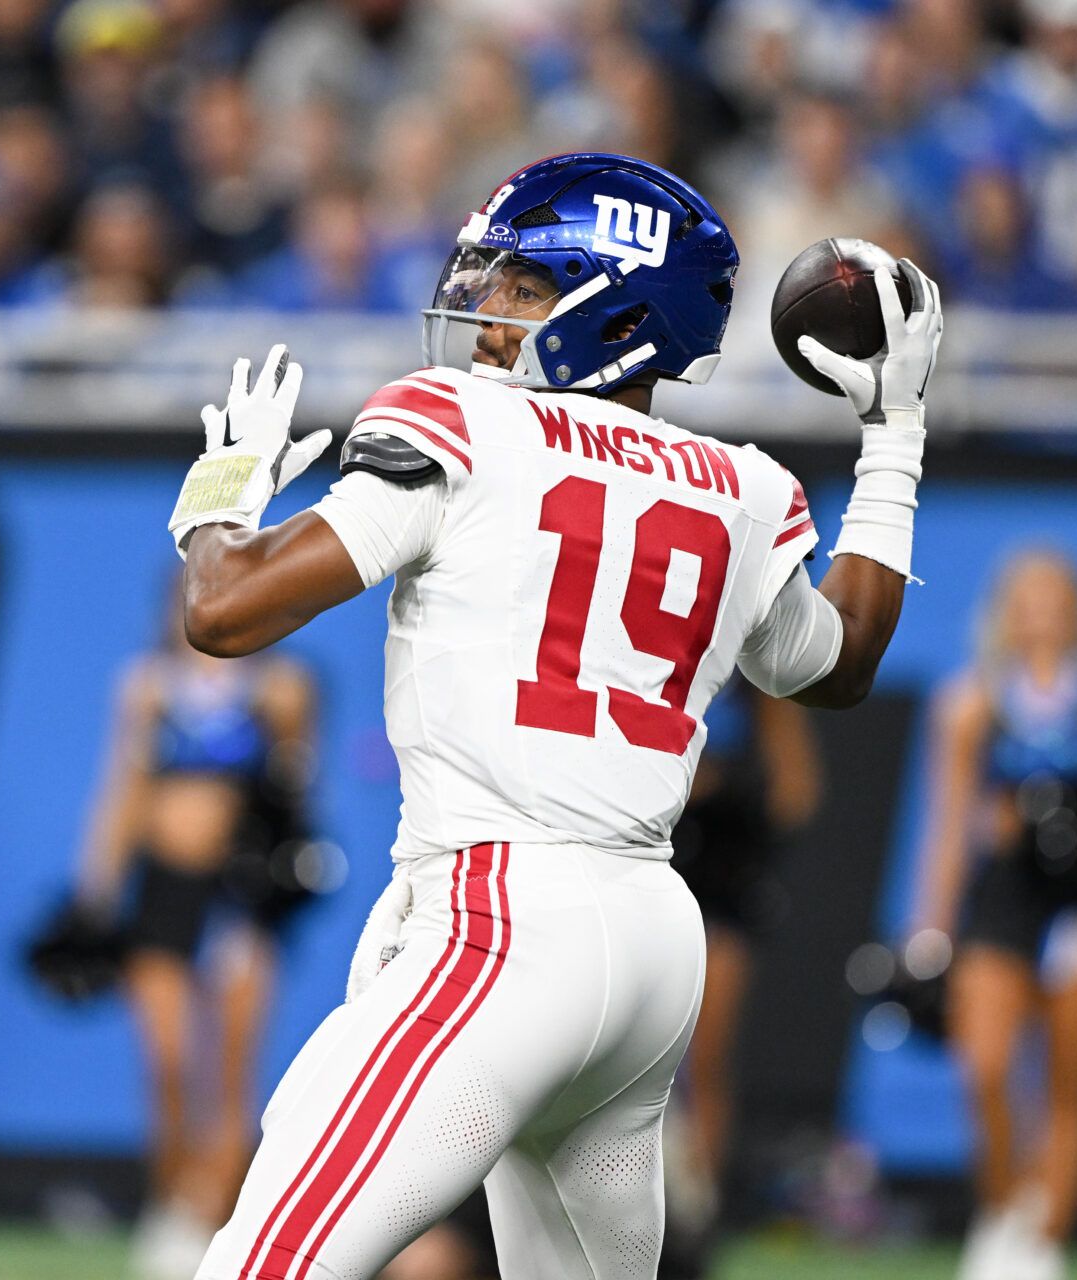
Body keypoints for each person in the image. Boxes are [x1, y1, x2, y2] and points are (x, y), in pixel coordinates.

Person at [168, 151, 943, 1277]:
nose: (487, 306)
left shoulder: (465, 423)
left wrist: (221, 496)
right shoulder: (744, 491)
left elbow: (225, 610)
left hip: (502, 917)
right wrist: (896, 439)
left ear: (617, 310)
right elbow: (841, 661)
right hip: (650, 938)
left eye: (525, 285)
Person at [911, 549, 1077, 1280]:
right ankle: (1002, 1213)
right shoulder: (971, 704)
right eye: (1027, 599)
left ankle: (1045, 1242)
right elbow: (951, 826)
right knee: (985, 1065)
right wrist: (931, 928)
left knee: (1067, 1078)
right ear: (1003, 611)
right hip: (1002, 902)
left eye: (1056, 598)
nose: (1043, 613)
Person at [68, 596, 320, 1279]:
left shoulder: (281, 686)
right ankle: (172, 1203)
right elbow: (122, 789)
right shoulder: (148, 685)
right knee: (169, 1063)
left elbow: (297, 790)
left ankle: (221, 1224)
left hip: (239, 897)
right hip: (162, 897)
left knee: (235, 1071)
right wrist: (92, 895)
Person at [665, 685, 822, 1262]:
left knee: (705, 1055)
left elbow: (796, 792)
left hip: (720, 876)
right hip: (641, 861)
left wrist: (726, 789)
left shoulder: (749, 679)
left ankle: (696, 1216)